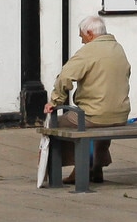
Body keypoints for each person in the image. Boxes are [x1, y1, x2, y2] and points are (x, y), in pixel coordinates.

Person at [44, 14, 130, 184]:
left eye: (82, 37)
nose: (82, 41)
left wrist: (55, 102)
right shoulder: (118, 49)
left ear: (90, 33)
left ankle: (77, 169)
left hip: (94, 116)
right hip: (120, 115)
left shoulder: (88, 51)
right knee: (104, 118)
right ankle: (96, 167)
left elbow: (65, 77)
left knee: (58, 124)